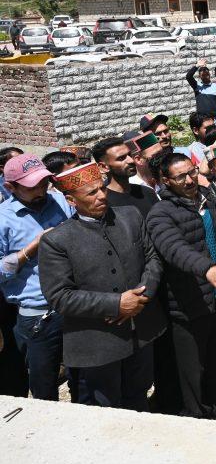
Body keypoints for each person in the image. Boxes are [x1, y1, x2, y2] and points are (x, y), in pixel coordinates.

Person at [39, 163, 166, 410]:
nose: (101, 196)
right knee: (106, 405)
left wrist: (141, 297)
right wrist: (117, 304)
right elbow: (59, 296)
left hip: (142, 331)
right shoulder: (56, 241)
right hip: (98, 341)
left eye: (102, 189)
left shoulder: (130, 216)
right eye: (91, 193)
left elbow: (152, 258)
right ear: (71, 200)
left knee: (139, 396)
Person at [146, 153, 216, 422]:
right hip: (187, 304)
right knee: (193, 369)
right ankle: (197, 418)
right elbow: (174, 249)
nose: (189, 180)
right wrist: (207, 269)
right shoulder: (161, 213)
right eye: (180, 177)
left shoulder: (211, 200)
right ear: (166, 181)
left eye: (191, 172)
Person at [0, 154, 73, 400]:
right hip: (38, 316)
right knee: (44, 385)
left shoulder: (61, 201)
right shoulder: (3, 219)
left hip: (75, 305)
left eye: (44, 182)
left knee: (82, 376)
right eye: (32, 186)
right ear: (10, 187)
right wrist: (30, 249)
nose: (41, 190)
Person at [92, 137, 160, 216]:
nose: (131, 160)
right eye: (121, 158)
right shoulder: (103, 203)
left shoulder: (147, 192)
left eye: (129, 155)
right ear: (104, 167)